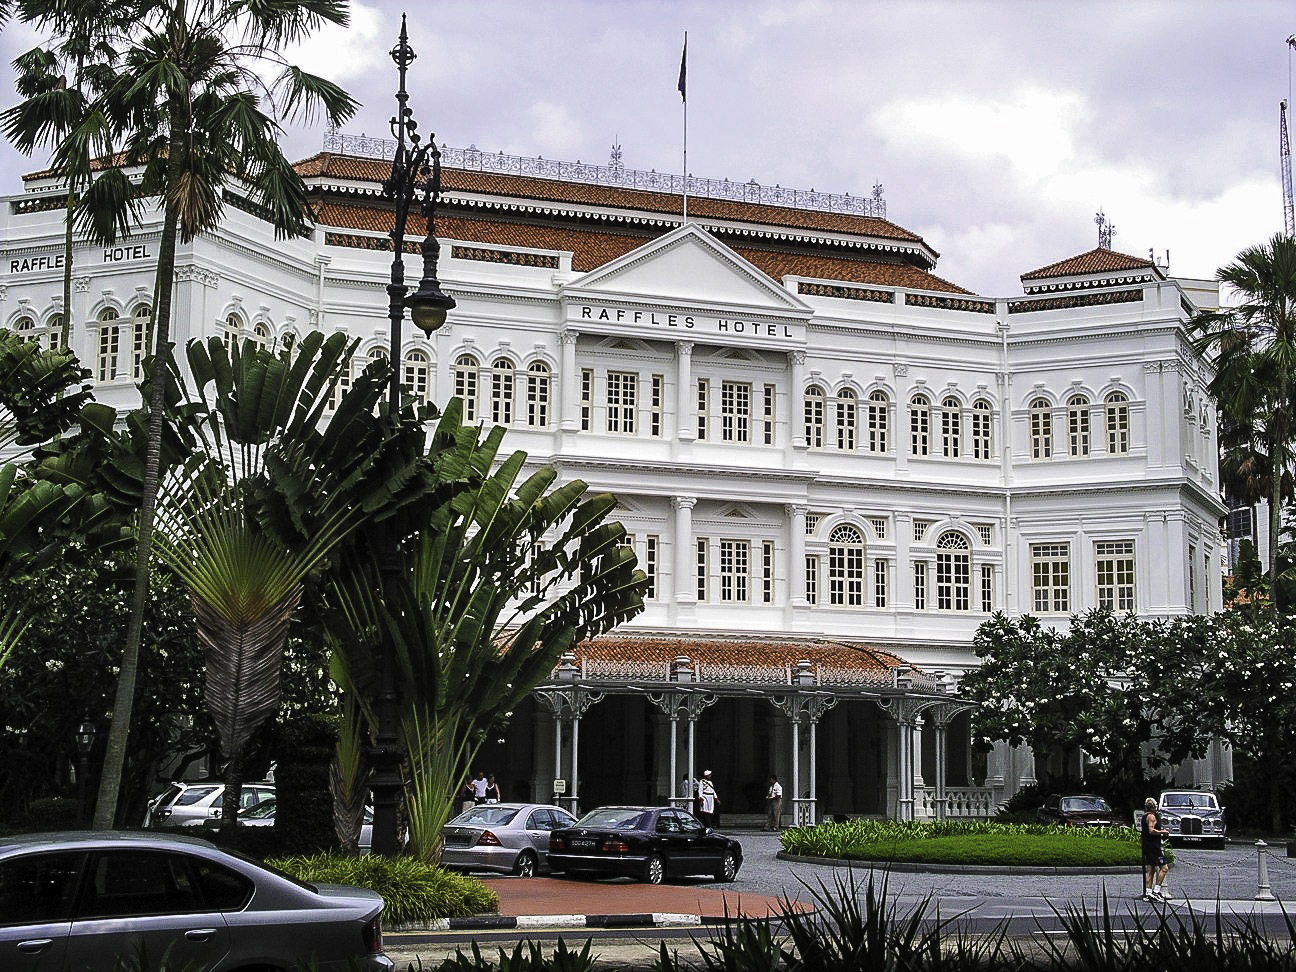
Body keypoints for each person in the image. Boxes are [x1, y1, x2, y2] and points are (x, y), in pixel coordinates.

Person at [1140, 796, 1171, 901]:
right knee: (1164, 867)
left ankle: (1148, 892)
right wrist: (1163, 832)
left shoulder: (1145, 816)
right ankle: (1156, 891)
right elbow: (1151, 830)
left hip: (1147, 846)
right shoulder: (1152, 817)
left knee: (1151, 869)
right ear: (1153, 807)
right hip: (1154, 847)